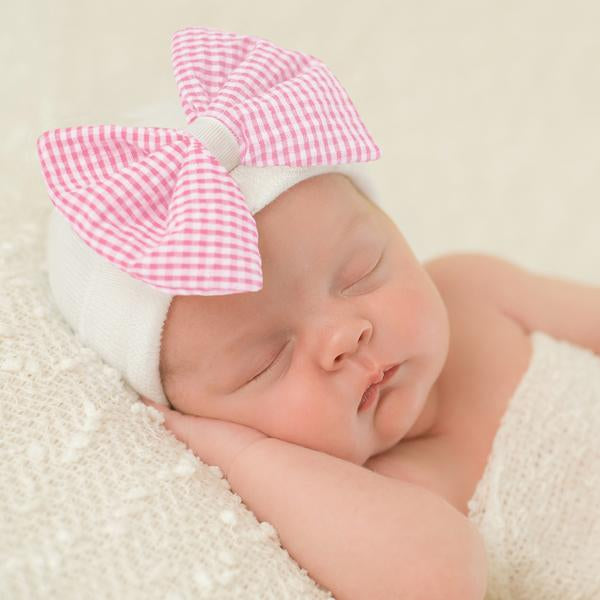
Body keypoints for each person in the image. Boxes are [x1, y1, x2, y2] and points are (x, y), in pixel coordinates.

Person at [38, 25, 600, 600]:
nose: (342, 337)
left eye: (361, 272)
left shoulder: (476, 290)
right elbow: (438, 580)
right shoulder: (370, 500)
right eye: (267, 362)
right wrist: (242, 455)